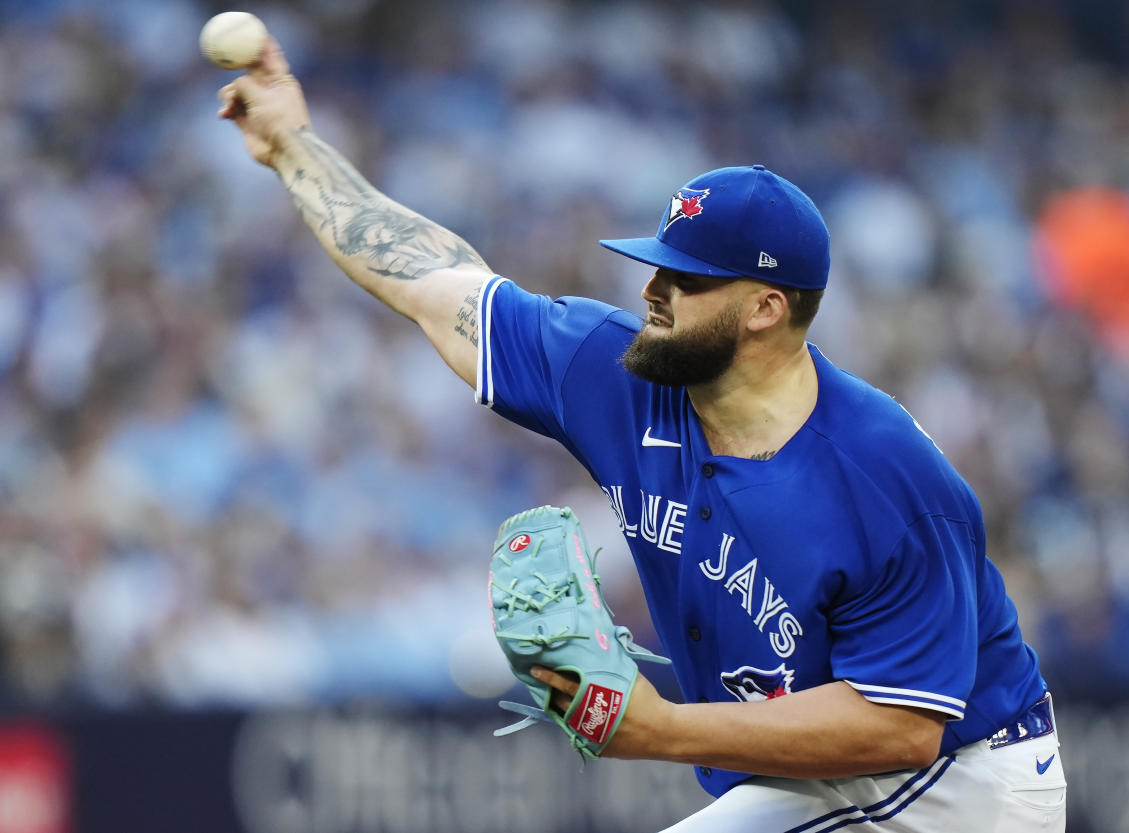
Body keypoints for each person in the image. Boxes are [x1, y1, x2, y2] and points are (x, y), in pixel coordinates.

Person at [218, 39, 1067, 833]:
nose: (653, 287)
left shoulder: (883, 475)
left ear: (765, 308)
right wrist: (294, 146)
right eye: (657, 263)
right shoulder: (620, 377)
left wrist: (655, 727)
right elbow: (433, 281)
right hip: (834, 775)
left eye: (685, 277)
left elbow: (901, 726)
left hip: (961, 785)